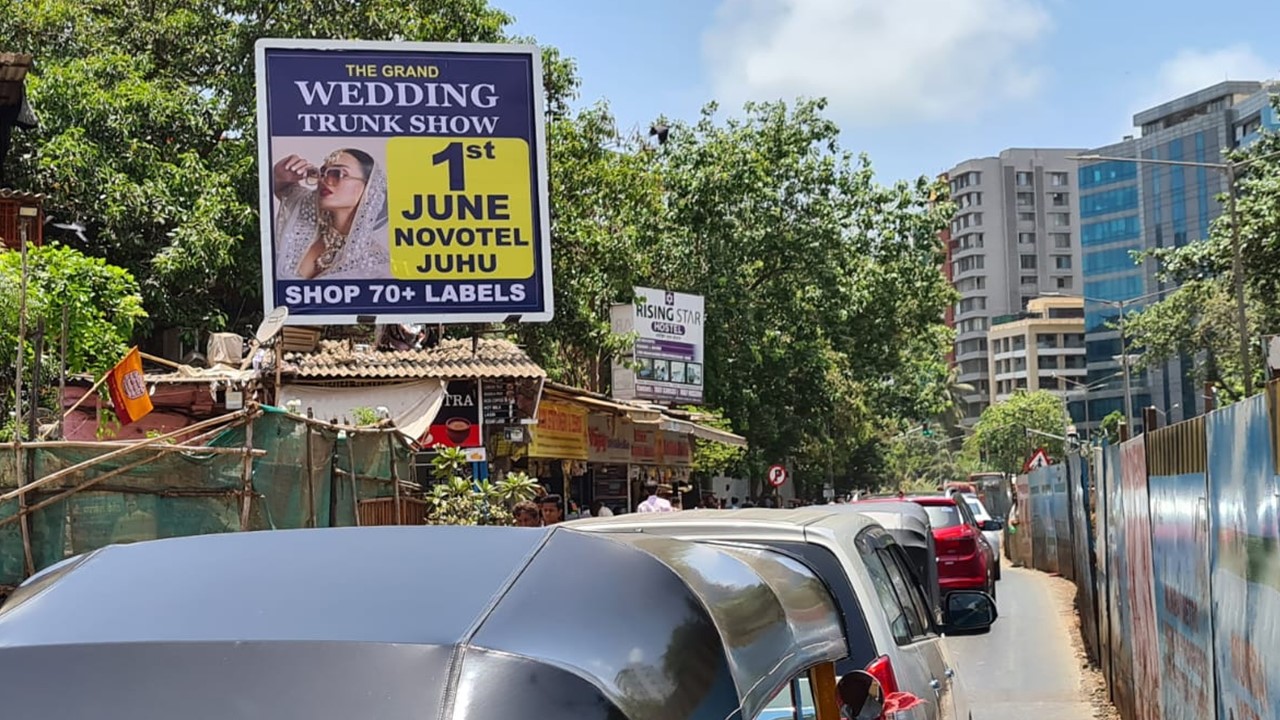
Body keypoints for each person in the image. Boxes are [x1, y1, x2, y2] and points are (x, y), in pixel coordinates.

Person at [272, 148, 390, 280]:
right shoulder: (307, 218)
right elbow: (285, 190)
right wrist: (278, 175)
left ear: (369, 187)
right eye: (322, 173)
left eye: (338, 174)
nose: (323, 180)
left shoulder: (376, 264)